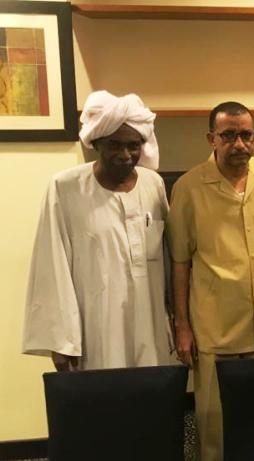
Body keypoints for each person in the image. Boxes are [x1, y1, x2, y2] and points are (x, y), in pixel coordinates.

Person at [22, 90, 172, 371]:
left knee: (152, 406)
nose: (126, 155)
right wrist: (62, 342)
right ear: (97, 143)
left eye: (134, 145)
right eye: (115, 145)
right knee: (102, 406)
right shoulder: (65, 187)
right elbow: (51, 265)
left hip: (150, 326)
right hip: (96, 331)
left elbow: (168, 258)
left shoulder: (154, 185)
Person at [167, 101, 254, 461]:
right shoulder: (188, 188)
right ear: (212, 138)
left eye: (246, 135)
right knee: (214, 424)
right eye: (229, 135)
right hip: (215, 327)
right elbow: (180, 262)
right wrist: (183, 326)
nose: (239, 145)